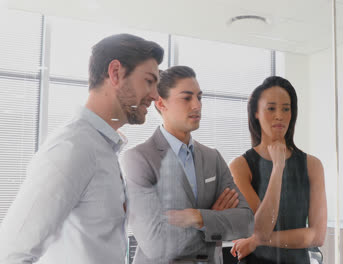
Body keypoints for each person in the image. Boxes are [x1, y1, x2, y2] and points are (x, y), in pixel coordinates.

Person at [0, 34, 164, 264]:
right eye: (149, 81)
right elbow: (11, 254)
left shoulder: (103, 148)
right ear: (115, 73)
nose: (156, 95)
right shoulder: (72, 147)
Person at [121, 65, 254, 264]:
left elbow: (246, 223)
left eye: (199, 97)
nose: (197, 105)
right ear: (160, 103)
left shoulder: (212, 158)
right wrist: (214, 221)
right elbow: (156, 245)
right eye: (187, 97)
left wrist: (198, 218)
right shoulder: (138, 159)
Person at [229, 76, 327, 264]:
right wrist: (278, 168)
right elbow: (261, 228)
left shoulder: (313, 165)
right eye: (271, 108)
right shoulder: (240, 166)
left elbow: (317, 236)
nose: (279, 115)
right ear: (256, 113)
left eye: (286, 108)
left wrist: (257, 241)